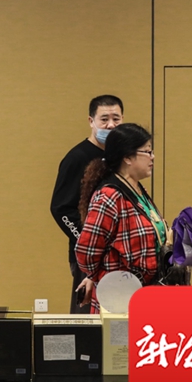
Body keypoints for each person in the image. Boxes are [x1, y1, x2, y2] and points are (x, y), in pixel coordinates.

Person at [75, 123, 180, 314]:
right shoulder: (109, 196)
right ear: (127, 157)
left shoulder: (138, 190)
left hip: (147, 294)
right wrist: (102, 277)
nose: (153, 157)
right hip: (120, 299)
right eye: (147, 152)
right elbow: (86, 252)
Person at [50, 94, 124, 314]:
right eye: (104, 119)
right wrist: (87, 239)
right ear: (91, 121)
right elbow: (61, 208)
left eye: (116, 119)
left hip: (117, 253)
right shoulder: (76, 158)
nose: (110, 125)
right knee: (88, 314)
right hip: (88, 254)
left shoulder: (120, 157)